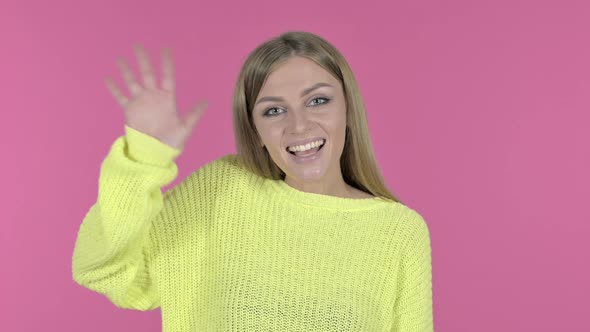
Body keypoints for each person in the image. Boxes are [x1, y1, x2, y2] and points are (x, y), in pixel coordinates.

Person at [72, 30, 433, 331]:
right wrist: (144, 158)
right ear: (255, 129)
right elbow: (105, 269)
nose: (299, 126)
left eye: (318, 101)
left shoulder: (399, 231)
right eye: (274, 110)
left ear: (349, 110)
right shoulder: (221, 191)